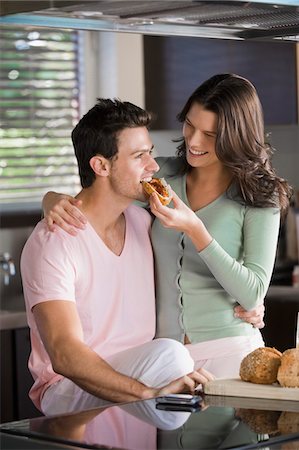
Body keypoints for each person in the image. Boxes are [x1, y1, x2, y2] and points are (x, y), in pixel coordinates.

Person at [42, 74, 289, 378]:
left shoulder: (260, 196)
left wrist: (196, 230)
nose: (194, 141)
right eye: (190, 125)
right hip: (166, 358)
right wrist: (51, 198)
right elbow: (104, 191)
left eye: (210, 134)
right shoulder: (163, 177)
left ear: (235, 135)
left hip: (230, 353)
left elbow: (252, 293)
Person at [21, 98, 215, 417]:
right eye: (140, 156)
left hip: (136, 379)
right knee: (173, 355)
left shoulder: (144, 223)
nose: (153, 167)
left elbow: (183, 281)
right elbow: (65, 356)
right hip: (70, 390)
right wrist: (149, 394)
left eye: (150, 153)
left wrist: (249, 304)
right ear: (101, 166)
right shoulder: (53, 241)